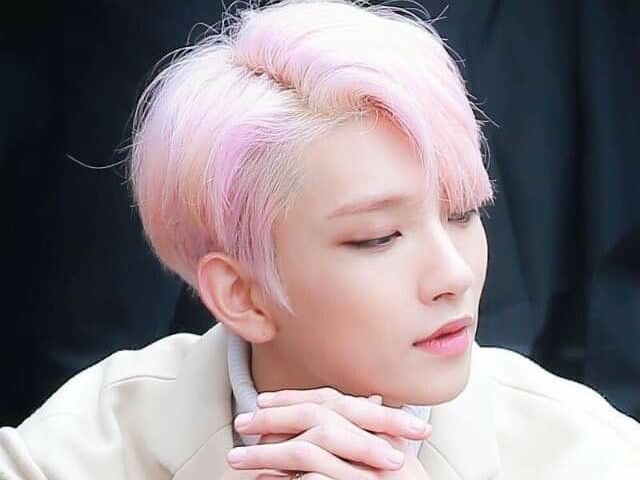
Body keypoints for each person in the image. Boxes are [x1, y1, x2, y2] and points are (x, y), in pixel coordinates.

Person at [1, 1, 638, 479]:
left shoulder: (589, 454)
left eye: (464, 213)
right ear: (241, 292)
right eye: (380, 237)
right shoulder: (77, 450)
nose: (455, 275)